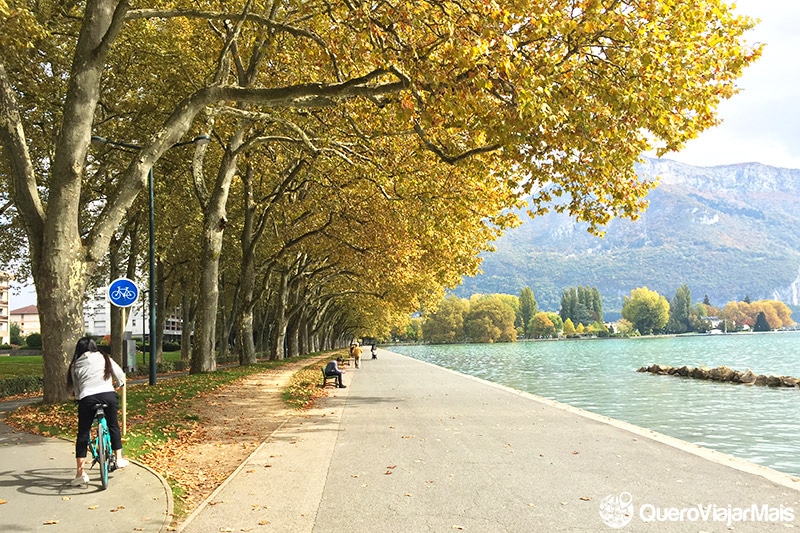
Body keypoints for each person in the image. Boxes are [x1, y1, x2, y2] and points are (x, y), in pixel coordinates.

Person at [67, 337, 128, 486]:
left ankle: (80, 473)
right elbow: (119, 374)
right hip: (108, 395)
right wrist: (119, 384)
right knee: (113, 425)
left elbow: (76, 388)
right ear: (94, 346)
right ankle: (118, 458)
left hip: (87, 398)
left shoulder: (74, 365)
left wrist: (78, 397)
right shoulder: (104, 357)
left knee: (83, 433)